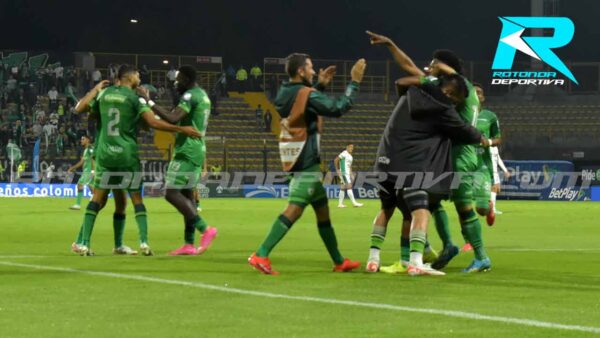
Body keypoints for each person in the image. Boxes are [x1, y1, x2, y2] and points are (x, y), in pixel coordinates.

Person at [367, 30, 491, 272]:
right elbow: (410, 68)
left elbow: (414, 77)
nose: (429, 67)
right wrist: (392, 44)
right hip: (449, 152)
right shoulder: (450, 87)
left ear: (447, 70)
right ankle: (429, 251)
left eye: (434, 64)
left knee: (448, 207)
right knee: (424, 203)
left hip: (457, 154)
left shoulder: (458, 86)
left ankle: (475, 255)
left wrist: (484, 141)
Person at [247, 53, 366, 275]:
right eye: (310, 68)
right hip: (307, 163)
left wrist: (319, 85)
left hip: (297, 157)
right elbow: (337, 108)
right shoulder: (305, 94)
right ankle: (261, 254)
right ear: (301, 71)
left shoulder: (285, 92)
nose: (314, 71)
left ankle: (339, 261)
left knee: (323, 214)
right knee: (294, 210)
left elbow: (302, 106)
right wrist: (355, 82)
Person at [73, 64, 202, 256]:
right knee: (135, 199)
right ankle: (144, 243)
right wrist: (182, 129)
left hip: (105, 154)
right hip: (126, 156)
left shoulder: (104, 94)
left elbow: (80, 109)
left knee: (102, 200)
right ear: (129, 77)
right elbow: (151, 123)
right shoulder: (134, 98)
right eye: (138, 76)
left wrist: (95, 89)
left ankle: (84, 243)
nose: (140, 79)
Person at [138, 65, 217, 256]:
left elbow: (173, 118)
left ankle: (205, 229)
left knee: (171, 193)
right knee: (187, 196)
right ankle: (189, 244)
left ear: (188, 79)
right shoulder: (203, 95)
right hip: (196, 148)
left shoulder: (191, 96)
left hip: (187, 151)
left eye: (179, 79)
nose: (175, 83)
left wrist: (149, 101)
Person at [67, 135, 95, 210]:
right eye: (81, 139)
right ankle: (96, 200)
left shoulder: (90, 148)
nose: (81, 140)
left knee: (80, 184)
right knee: (90, 185)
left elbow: (93, 158)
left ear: (88, 140)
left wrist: (93, 170)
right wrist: (73, 168)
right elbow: (82, 162)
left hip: (89, 171)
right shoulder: (86, 150)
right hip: (87, 171)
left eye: (83, 139)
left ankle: (78, 204)